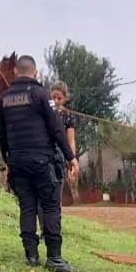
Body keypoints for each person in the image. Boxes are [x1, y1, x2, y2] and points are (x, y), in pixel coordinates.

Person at [0, 55, 78, 272]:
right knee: (50, 207)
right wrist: (71, 158)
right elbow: (56, 129)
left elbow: (1, 134)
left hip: (17, 162)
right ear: (36, 73)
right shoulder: (42, 95)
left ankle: (31, 256)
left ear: (15, 72)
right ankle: (54, 258)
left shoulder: (3, 98)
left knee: (27, 207)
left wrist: (8, 160)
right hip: (42, 161)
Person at [49, 80, 77, 210]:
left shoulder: (68, 115)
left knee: (56, 193)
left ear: (65, 98)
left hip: (59, 157)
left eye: (59, 98)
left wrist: (72, 161)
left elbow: (70, 141)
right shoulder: (45, 112)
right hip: (44, 155)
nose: (55, 100)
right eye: (53, 97)